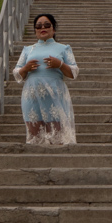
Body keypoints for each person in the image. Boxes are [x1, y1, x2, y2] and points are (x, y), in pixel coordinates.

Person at [12, 13, 78, 145]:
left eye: (47, 25)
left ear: (53, 29)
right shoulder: (28, 50)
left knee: (57, 136)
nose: (43, 28)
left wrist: (60, 64)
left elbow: (74, 72)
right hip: (32, 95)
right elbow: (17, 73)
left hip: (54, 94)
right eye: (39, 26)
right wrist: (26, 68)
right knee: (34, 136)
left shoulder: (64, 48)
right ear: (35, 31)